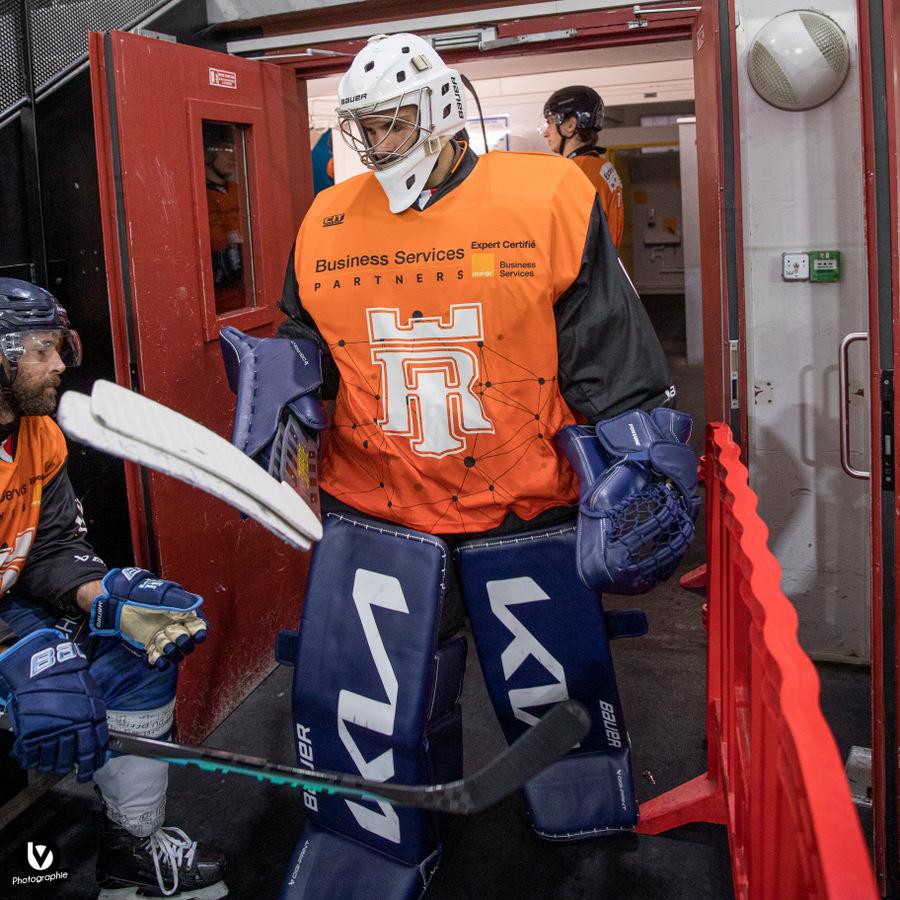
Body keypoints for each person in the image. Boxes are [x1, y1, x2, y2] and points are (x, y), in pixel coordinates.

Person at [223, 32, 696, 898]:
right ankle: (377, 838)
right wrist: (279, 384)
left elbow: (607, 348)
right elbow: (305, 335)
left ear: (441, 108)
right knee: (374, 703)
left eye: (393, 121)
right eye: (363, 126)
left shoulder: (548, 197)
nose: (376, 143)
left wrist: (644, 460)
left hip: (524, 500)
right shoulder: (326, 220)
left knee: (554, 690)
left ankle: (580, 807)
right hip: (377, 504)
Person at [0, 278, 227, 899]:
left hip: (11, 604)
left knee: (137, 648)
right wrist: (17, 653)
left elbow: (49, 548)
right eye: (42, 350)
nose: (60, 365)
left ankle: (131, 849)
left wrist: (109, 598)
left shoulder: (39, 434)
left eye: (59, 347)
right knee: (44, 669)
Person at [542, 85, 625, 250]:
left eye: (551, 122)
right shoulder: (600, 167)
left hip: (583, 266)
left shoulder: (576, 173)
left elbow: (569, 240)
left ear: (570, 125)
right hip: (603, 263)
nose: (546, 132)